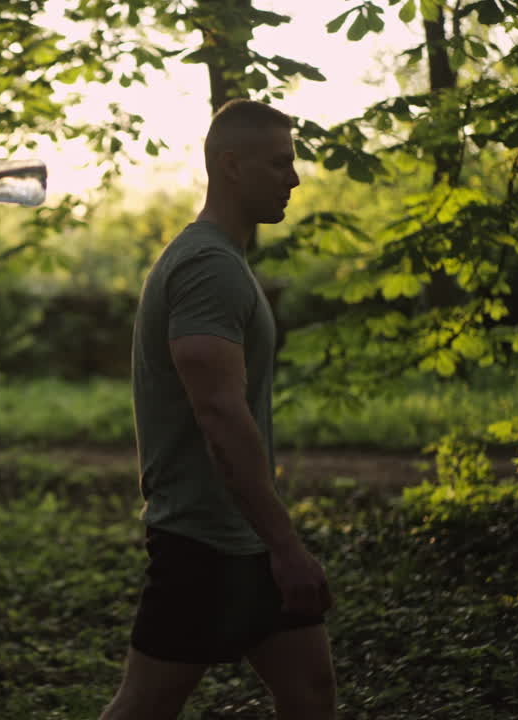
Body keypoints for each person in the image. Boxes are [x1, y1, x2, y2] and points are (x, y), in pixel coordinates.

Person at [99, 99, 336, 720]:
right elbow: (221, 416)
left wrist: (271, 540)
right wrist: (286, 546)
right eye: (279, 164)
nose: (294, 179)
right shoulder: (209, 268)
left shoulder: (220, 260)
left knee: (310, 692)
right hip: (204, 542)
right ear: (231, 166)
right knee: (145, 706)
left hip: (241, 533)